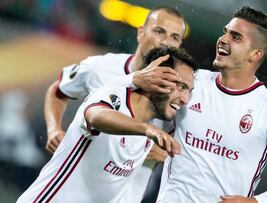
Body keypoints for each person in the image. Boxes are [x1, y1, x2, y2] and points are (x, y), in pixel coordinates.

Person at [130, 6, 267, 203]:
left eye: (236, 37)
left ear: (255, 54)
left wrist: (256, 202)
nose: (223, 40)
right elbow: (143, 108)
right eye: (225, 32)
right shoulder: (192, 83)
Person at [17, 47, 197, 203]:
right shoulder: (113, 95)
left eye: (189, 91)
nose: (185, 99)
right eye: (180, 86)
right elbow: (96, 116)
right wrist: (147, 130)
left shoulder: (155, 127)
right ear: (156, 77)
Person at [43, 6, 186, 202]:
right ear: (141, 33)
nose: (166, 42)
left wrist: (164, 153)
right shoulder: (102, 68)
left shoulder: (178, 95)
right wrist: (53, 129)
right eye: (159, 31)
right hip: (71, 190)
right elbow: (58, 91)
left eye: (175, 37)